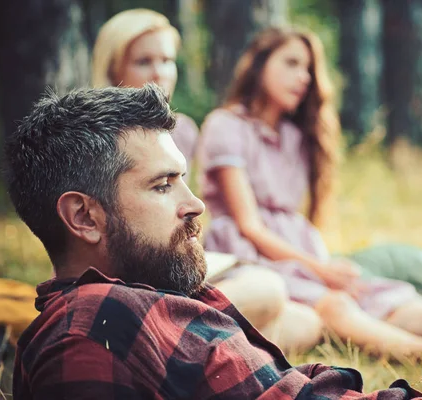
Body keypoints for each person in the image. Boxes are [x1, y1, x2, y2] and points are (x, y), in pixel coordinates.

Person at [7, 84, 422, 399]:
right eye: (162, 186)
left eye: (184, 181)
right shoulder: (91, 328)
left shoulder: (144, 298)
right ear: (84, 217)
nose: (195, 204)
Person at [197, 26, 422, 367]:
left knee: (417, 315)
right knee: (336, 303)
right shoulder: (225, 125)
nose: (303, 77)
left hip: (298, 253)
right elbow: (250, 226)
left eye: (308, 70)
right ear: (259, 64)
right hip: (249, 253)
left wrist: (324, 265)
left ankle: (388, 339)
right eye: (291, 63)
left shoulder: (295, 134)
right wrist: (321, 270)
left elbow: (296, 221)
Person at [90, 9, 290, 337]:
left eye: (167, 60)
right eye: (144, 61)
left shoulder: (182, 130)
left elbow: (181, 212)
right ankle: (158, 332)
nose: (160, 73)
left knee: (298, 318)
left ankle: (184, 344)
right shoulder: (98, 136)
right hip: (131, 277)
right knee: (268, 289)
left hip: (172, 267)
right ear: (114, 67)